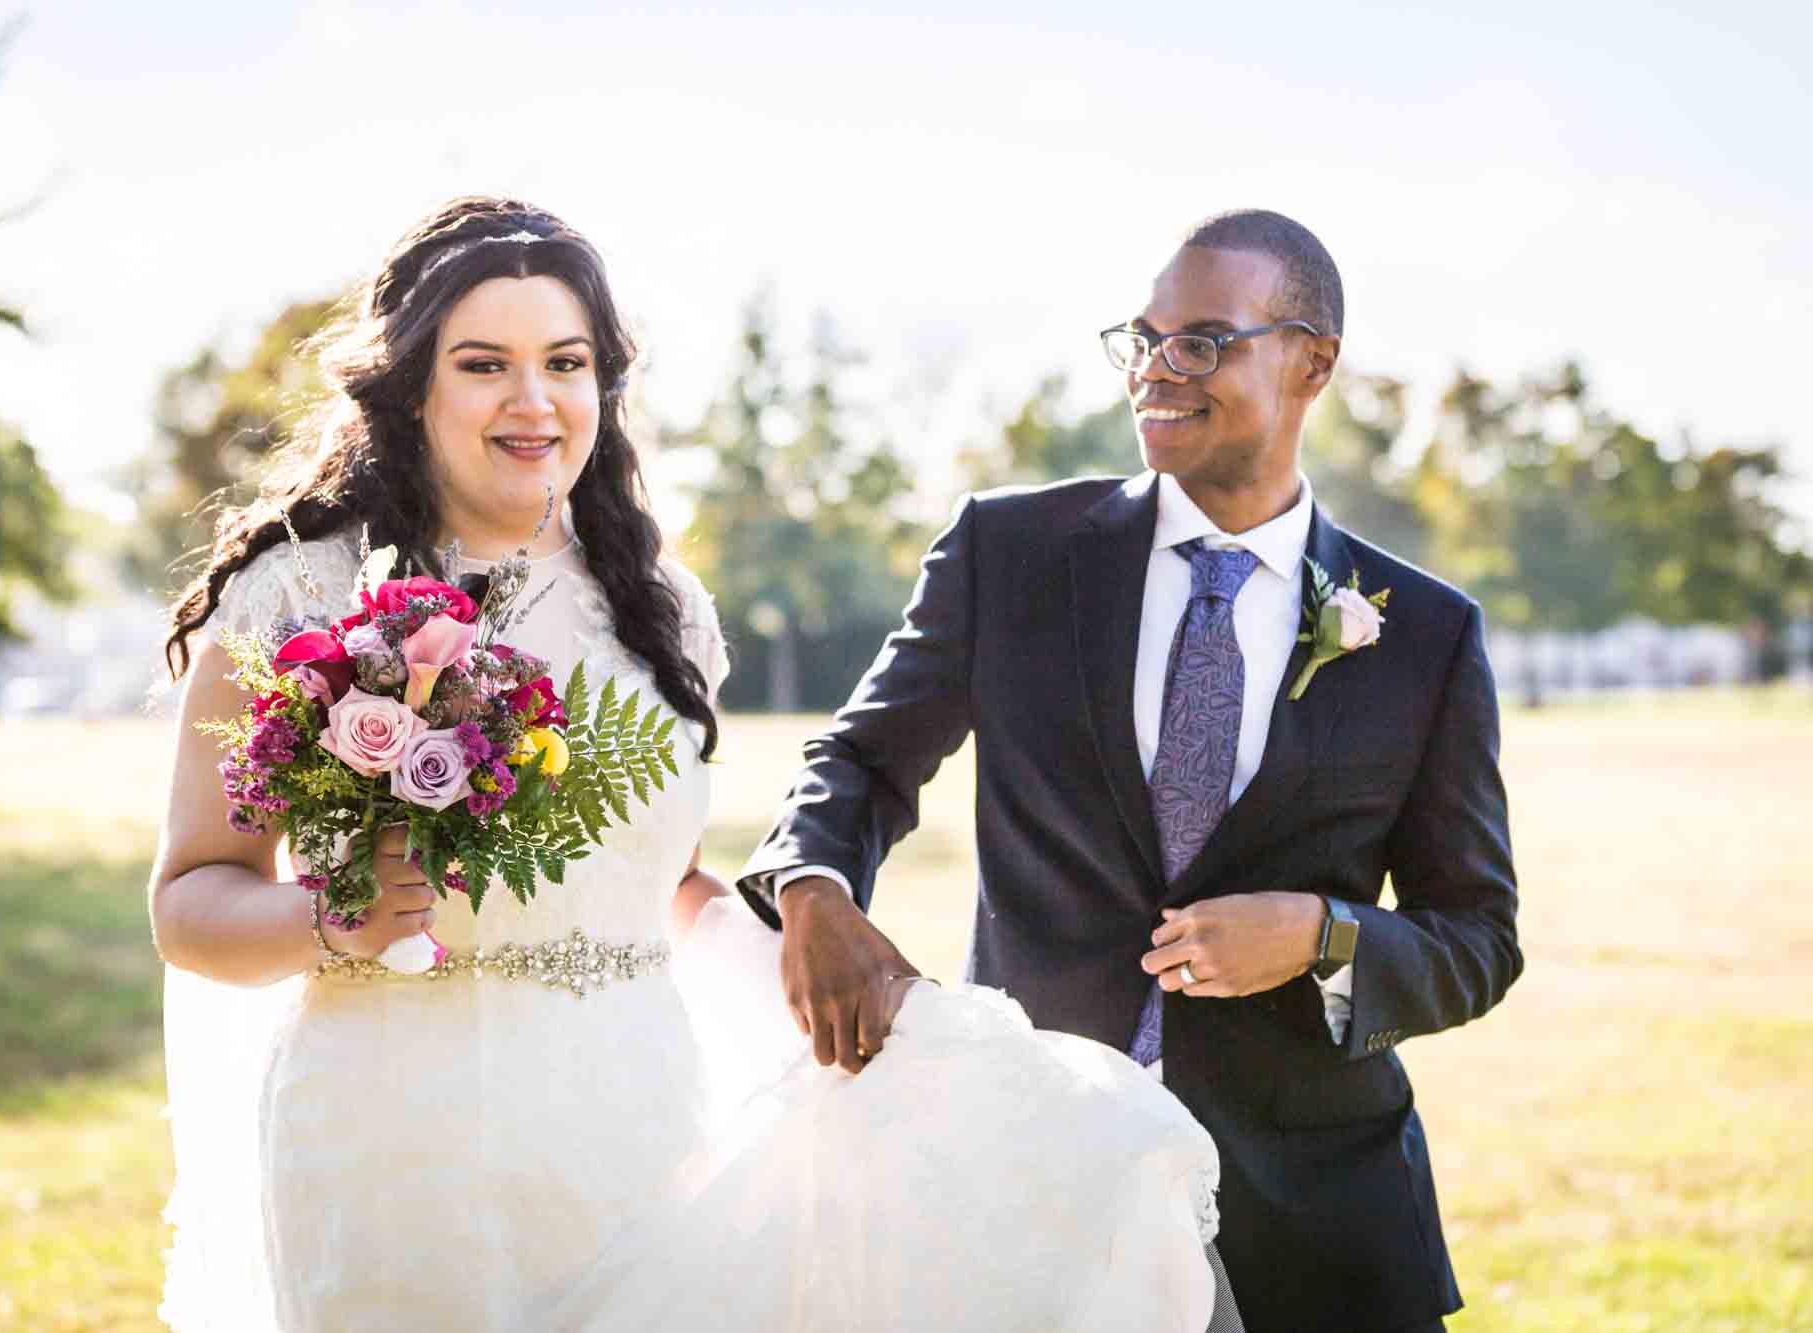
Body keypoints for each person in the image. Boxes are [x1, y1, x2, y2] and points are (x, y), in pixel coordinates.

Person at [149, 196, 1229, 1332]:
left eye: (565, 362)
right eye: (483, 365)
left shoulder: (657, 609)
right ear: (412, 384)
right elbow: (190, 901)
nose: (532, 401)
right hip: (386, 1140)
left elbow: (649, 879)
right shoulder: (300, 594)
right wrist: (338, 915)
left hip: (630, 1118)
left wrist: (834, 972)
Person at [740, 209, 1523, 1333]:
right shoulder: (1004, 555)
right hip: (1035, 1180)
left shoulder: (1424, 635)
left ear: (1311, 362)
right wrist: (810, 888)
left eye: (1203, 339)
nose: (1158, 370)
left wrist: (1318, 933)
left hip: (1318, 1219)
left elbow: (1477, 940)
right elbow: (859, 759)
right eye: (1143, 338)